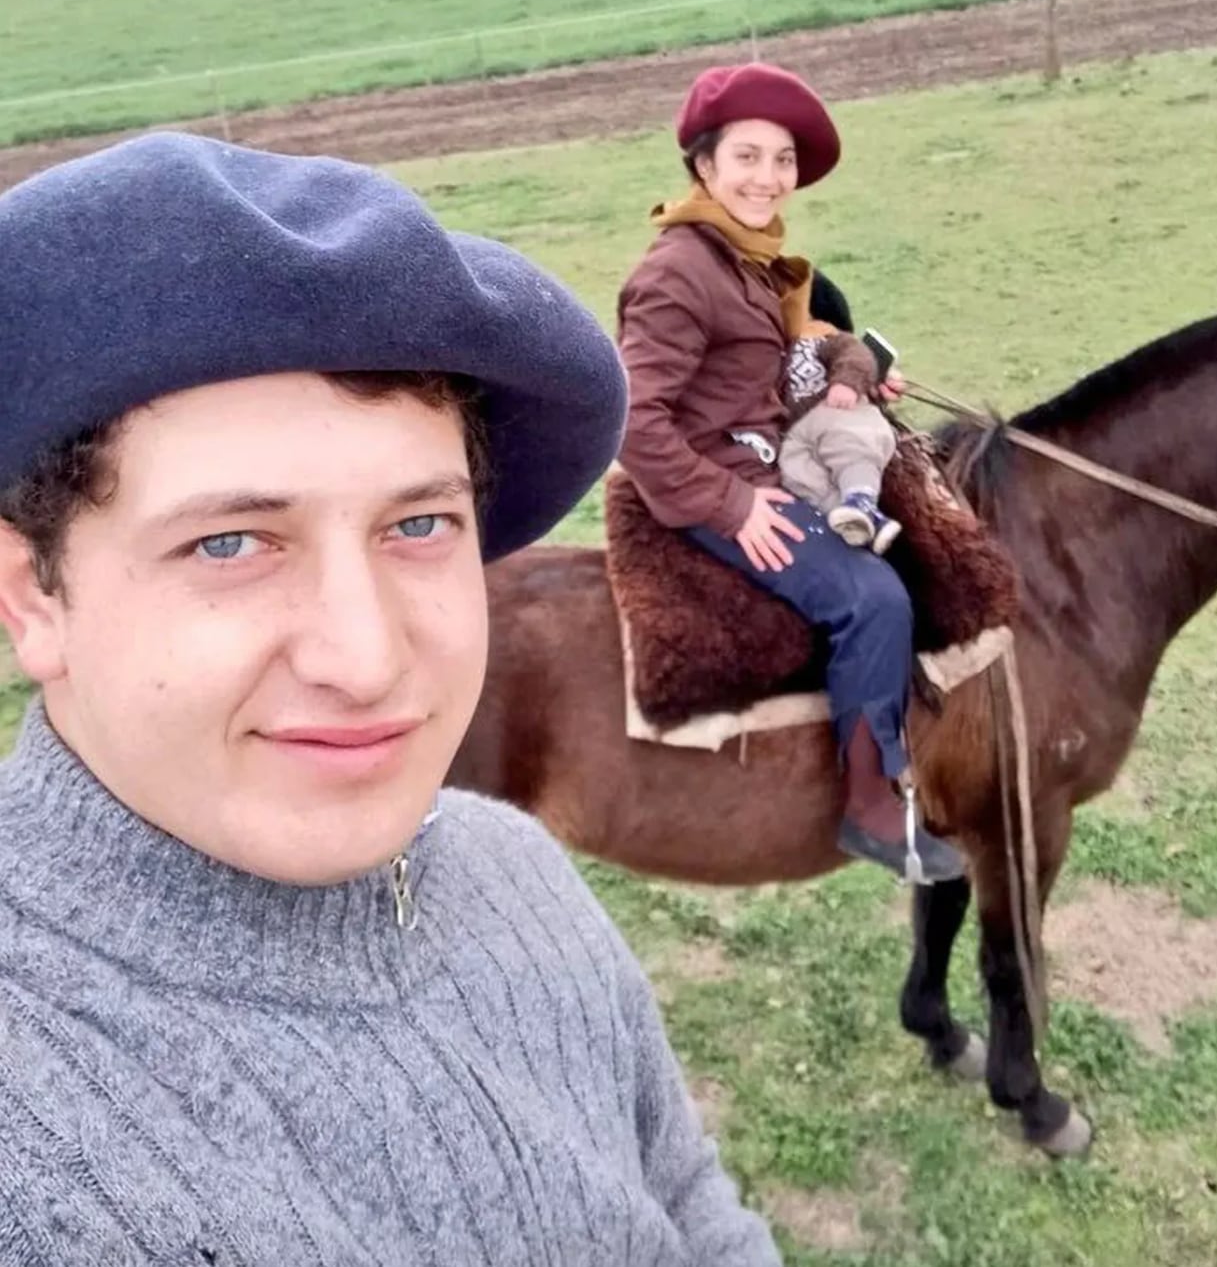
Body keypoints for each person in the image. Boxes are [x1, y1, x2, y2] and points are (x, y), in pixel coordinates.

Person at [0, 132, 782, 1265]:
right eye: (231, 542)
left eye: (418, 525)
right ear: (32, 597)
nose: (366, 662)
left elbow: (689, 1206)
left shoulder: (518, 873)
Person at [615, 61, 964, 885]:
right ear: (704, 165)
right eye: (746, 157)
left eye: (780, 161)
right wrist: (731, 506)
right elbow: (633, 417)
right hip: (720, 482)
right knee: (873, 599)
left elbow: (772, 369)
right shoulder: (678, 272)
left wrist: (853, 380)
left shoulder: (747, 260)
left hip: (769, 456)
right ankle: (871, 808)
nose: (767, 178)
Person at [778, 318, 902, 554]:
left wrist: (847, 381)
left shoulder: (815, 338)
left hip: (831, 407)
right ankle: (853, 519)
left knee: (851, 441)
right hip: (792, 434)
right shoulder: (753, 353)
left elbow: (854, 351)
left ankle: (861, 497)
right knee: (794, 471)